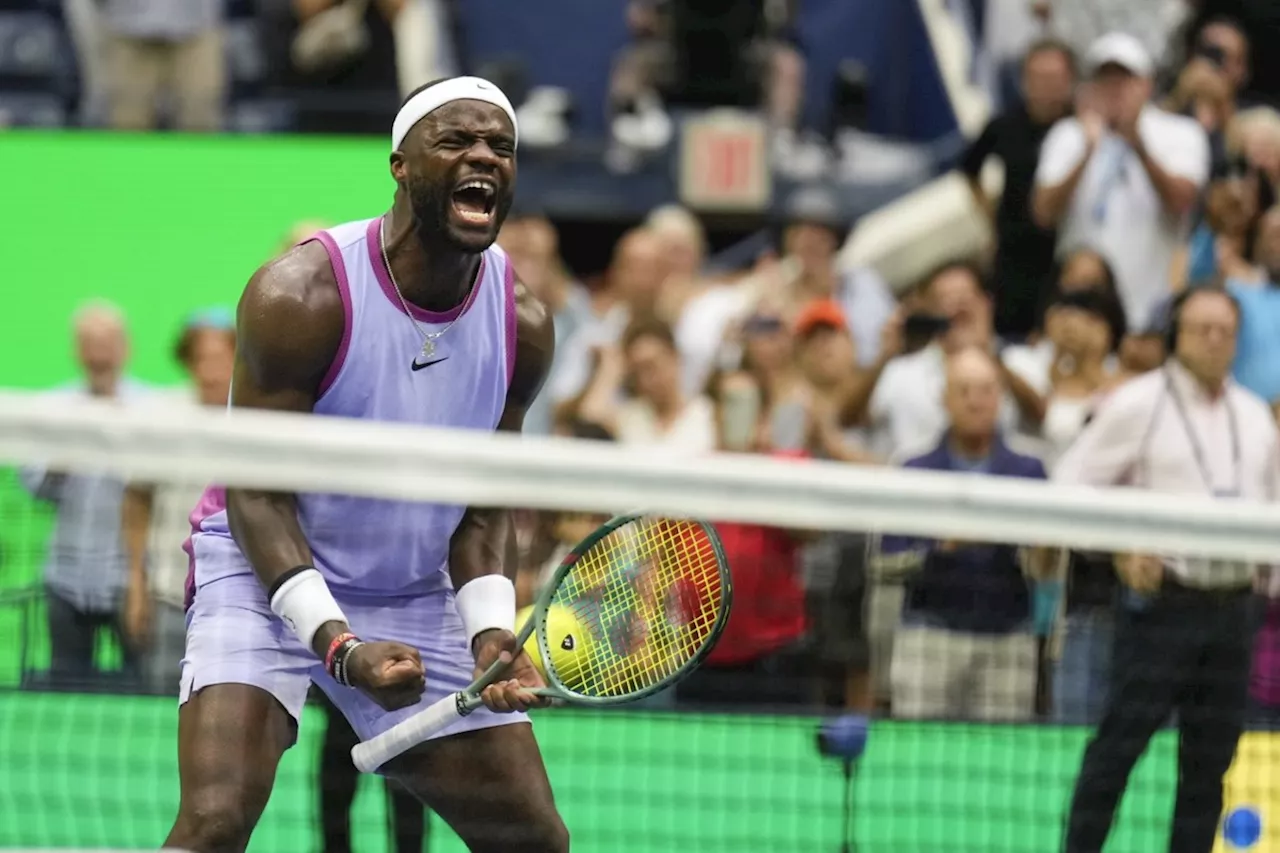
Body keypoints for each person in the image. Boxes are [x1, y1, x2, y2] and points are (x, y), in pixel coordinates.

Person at [163, 77, 568, 853]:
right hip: (262, 568)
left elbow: (483, 505)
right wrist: (339, 644)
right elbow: (256, 489)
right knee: (214, 822)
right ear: (401, 165)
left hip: (414, 589)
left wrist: (488, 632)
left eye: (501, 147)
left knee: (535, 841)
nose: (483, 155)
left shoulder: (524, 324)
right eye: (456, 140)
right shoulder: (300, 294)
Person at [1055, 287, 1280, 853]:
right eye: (1201, 328)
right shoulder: (1137, 403)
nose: (1212, 339)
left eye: (1224, 330)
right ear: (1175, 334)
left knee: (1209, 768)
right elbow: (1068, 487)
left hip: (1234, 611)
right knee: (1118, 750)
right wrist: (1119, 548)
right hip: (1163, 610)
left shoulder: (1255, 417)